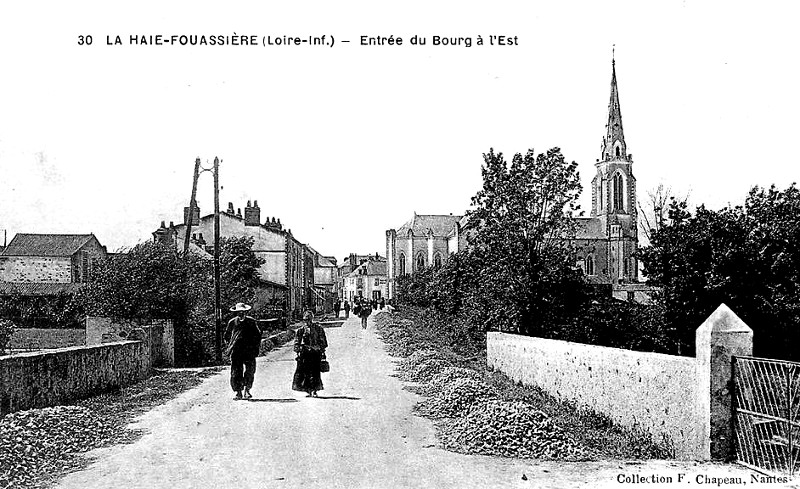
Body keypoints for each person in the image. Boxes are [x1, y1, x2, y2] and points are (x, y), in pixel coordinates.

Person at [224, 302, 262, 400]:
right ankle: (238, 392)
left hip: (249, 351)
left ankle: (247, 390)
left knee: (250, 370)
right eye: (238, 312)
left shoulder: (251, 322)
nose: (241, 313)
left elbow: (257, 336)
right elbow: (227, 336)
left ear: (246, 312)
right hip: (236, 351)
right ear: (236, 313)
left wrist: (255, 347)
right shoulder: (232, 322)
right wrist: (231, 345)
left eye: (243, 311)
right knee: (236, 371)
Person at [292, 310, 328, 397]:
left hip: (315, 354)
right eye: (305, 320)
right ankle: (308, 389)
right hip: (304, 355)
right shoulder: (301, 330)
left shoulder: (318, 329)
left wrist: (319, 348)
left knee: (315, 372)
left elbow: (324, 342)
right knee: (305, 372)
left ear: (312, 319)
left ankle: (314, 389)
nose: (307, 322)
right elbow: (296, 342)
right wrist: (299, 349)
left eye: (308, 319)